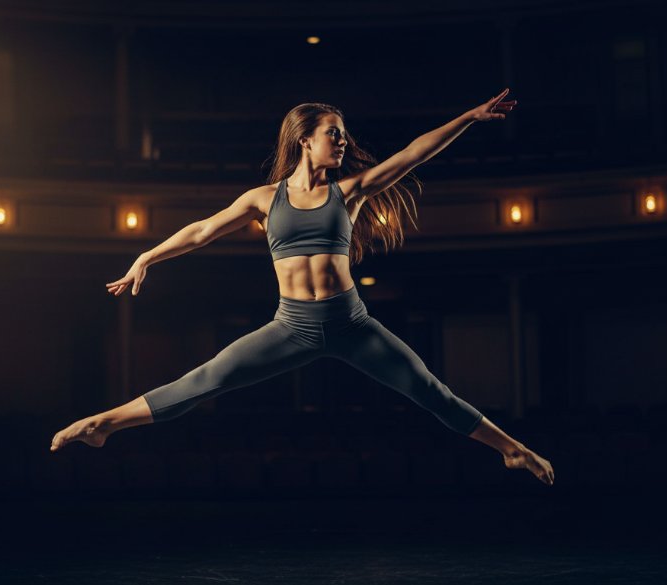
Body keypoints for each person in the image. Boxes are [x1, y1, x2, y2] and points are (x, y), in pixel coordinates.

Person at [51, 88, 554, 486]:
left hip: (352, 324)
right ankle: (103, 425)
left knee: (427, 389)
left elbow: (412, 155)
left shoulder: (350, 192)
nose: (342, 142)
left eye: (343, 135)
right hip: (290, 327)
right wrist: (147, 256)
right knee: (206, 379)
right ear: (304, 140)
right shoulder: (263, 199)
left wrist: (468, 118)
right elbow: (202, 230)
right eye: (333, 133)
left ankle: (511, 449)